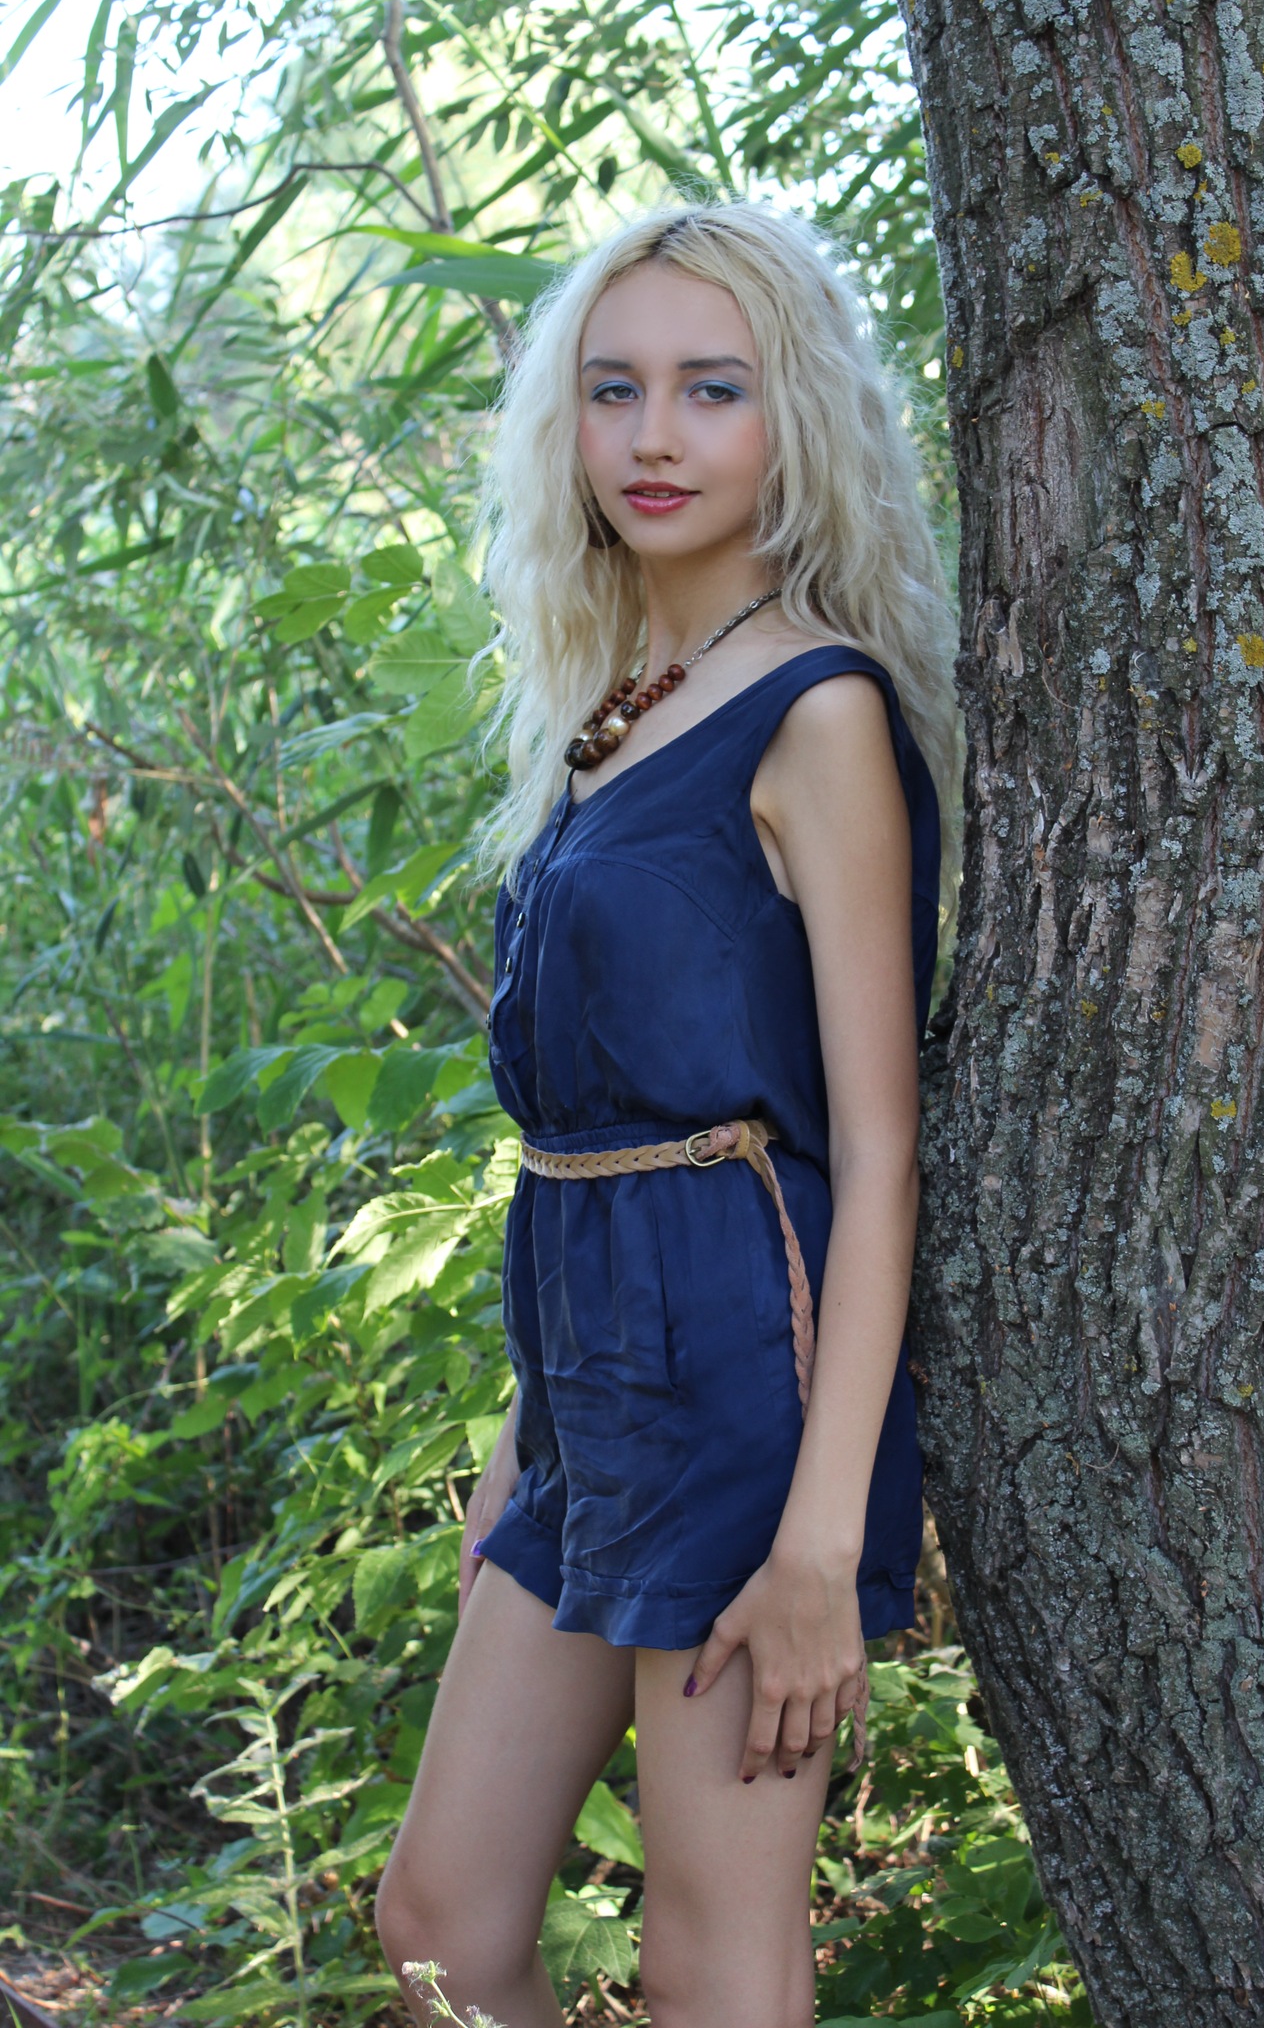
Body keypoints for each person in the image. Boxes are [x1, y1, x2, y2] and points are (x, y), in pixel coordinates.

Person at [375, 198, 961, 2028]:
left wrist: (816, 1545)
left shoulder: (814, 714)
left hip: (739, 1392)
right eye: (612, 389)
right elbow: (589, 1146)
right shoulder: (611, 713)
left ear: (795, 419)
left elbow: (877, 1156)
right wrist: (523, 1441)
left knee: (714, 1962)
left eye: (712, 389)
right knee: (440, 1926)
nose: (652, 435)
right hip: (587, 1397)